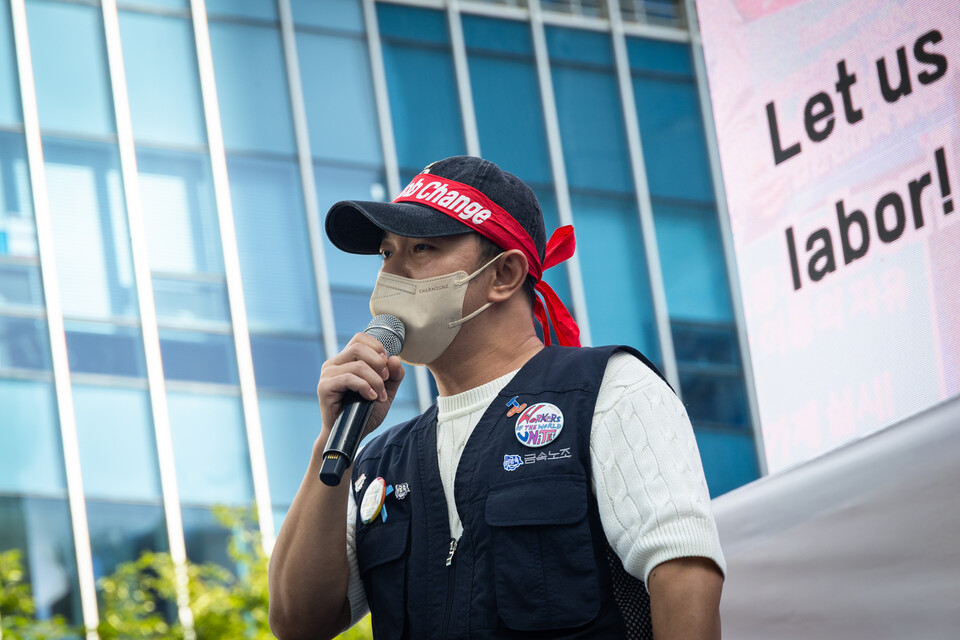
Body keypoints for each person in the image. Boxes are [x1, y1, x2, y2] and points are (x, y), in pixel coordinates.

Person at [268, 156, 726, 640]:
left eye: (422, 248)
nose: (394, 276)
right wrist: (331, 441)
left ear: (504, 273)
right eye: (386, 254)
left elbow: (685, 574)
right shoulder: (379, 461)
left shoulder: (607, 392)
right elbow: (297, 623)